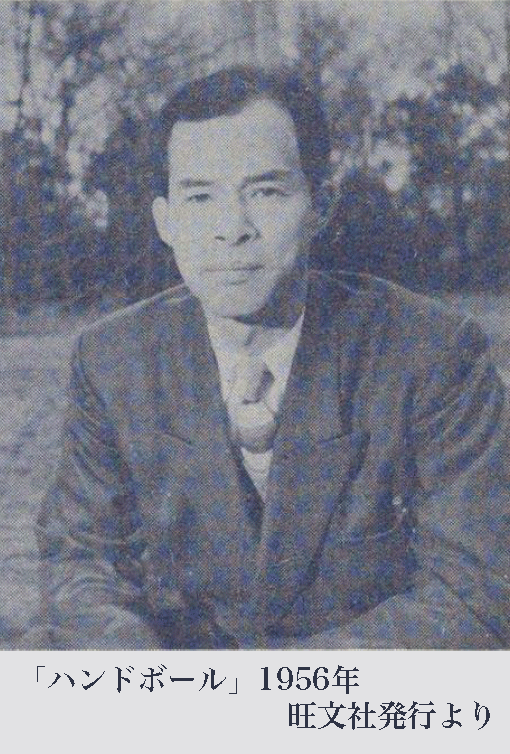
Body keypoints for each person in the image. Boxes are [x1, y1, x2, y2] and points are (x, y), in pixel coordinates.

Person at [37, 66, 510, 650]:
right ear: (166, 221)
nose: (231, 229)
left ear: (321, 206)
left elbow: (476, 593)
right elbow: (82, 563)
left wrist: (269, 690)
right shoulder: (113, 359)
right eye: (200, 196)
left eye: (265, 192)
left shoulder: (433, 355)